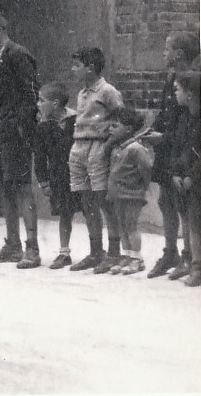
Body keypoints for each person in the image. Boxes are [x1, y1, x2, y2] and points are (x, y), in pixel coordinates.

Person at [0, 11, 42, 269]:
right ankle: (12, 245)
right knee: (5, 188)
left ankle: (32, 249)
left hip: (16, 135)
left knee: (22, 188)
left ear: (0, 30)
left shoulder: (18, 55)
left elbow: (30, 96)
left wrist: (17, 127)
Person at [66, 46, 125, 273]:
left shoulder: (108, 91)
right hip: (79, 147)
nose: (73, 70)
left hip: (98, 147)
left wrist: (108, 146)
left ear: (90, 68)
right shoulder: (82, 93)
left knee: (103, 200)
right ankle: (95, 251)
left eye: (77, 66)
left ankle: (114, 252)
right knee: (86, 200)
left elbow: (123, 120)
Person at [150, 31, 199, 278]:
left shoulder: (192, 80)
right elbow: (164, 113)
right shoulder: (170, 79)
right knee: (164, 200)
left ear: (178, 54)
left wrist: (165, 137)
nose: (163, 53)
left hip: (179, 147)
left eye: (167, 49)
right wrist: (152, 131)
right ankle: (171, 252)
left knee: (185, 204)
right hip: (165, 147)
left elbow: (188, 120)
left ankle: (189, 256)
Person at [104, 106, 158, 275]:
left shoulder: (136, 148)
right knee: (121, 225)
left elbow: (146, 170)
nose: (110, 129)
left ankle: (137, 259)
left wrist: (141, 188)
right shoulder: (116, 147)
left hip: (132, 194)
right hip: (117, 194)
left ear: (128, 129)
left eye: (115, 126)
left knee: (131, 225)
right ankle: (127, 255)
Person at [34, 82, 79, 269]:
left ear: (55, 104)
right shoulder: (43, 127)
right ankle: (64, 252)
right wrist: (44, 182)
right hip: (58, 177)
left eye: (41, 100)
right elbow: (39, 157)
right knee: (64, 213)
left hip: (79, 174)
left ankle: (98, 250)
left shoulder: (76, 120)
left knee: (90, 210)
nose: (38, 104)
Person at [168, 71, 201, 286]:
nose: (175, 94)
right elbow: (177, 148)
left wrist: (193, 176)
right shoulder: (183, 119)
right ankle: (191, 261)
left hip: (198, 180)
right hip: (184, 179)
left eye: (177, 90)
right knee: (190, 221)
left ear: (190, 93)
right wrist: (175, 173)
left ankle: (198, 266)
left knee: (198, 223)